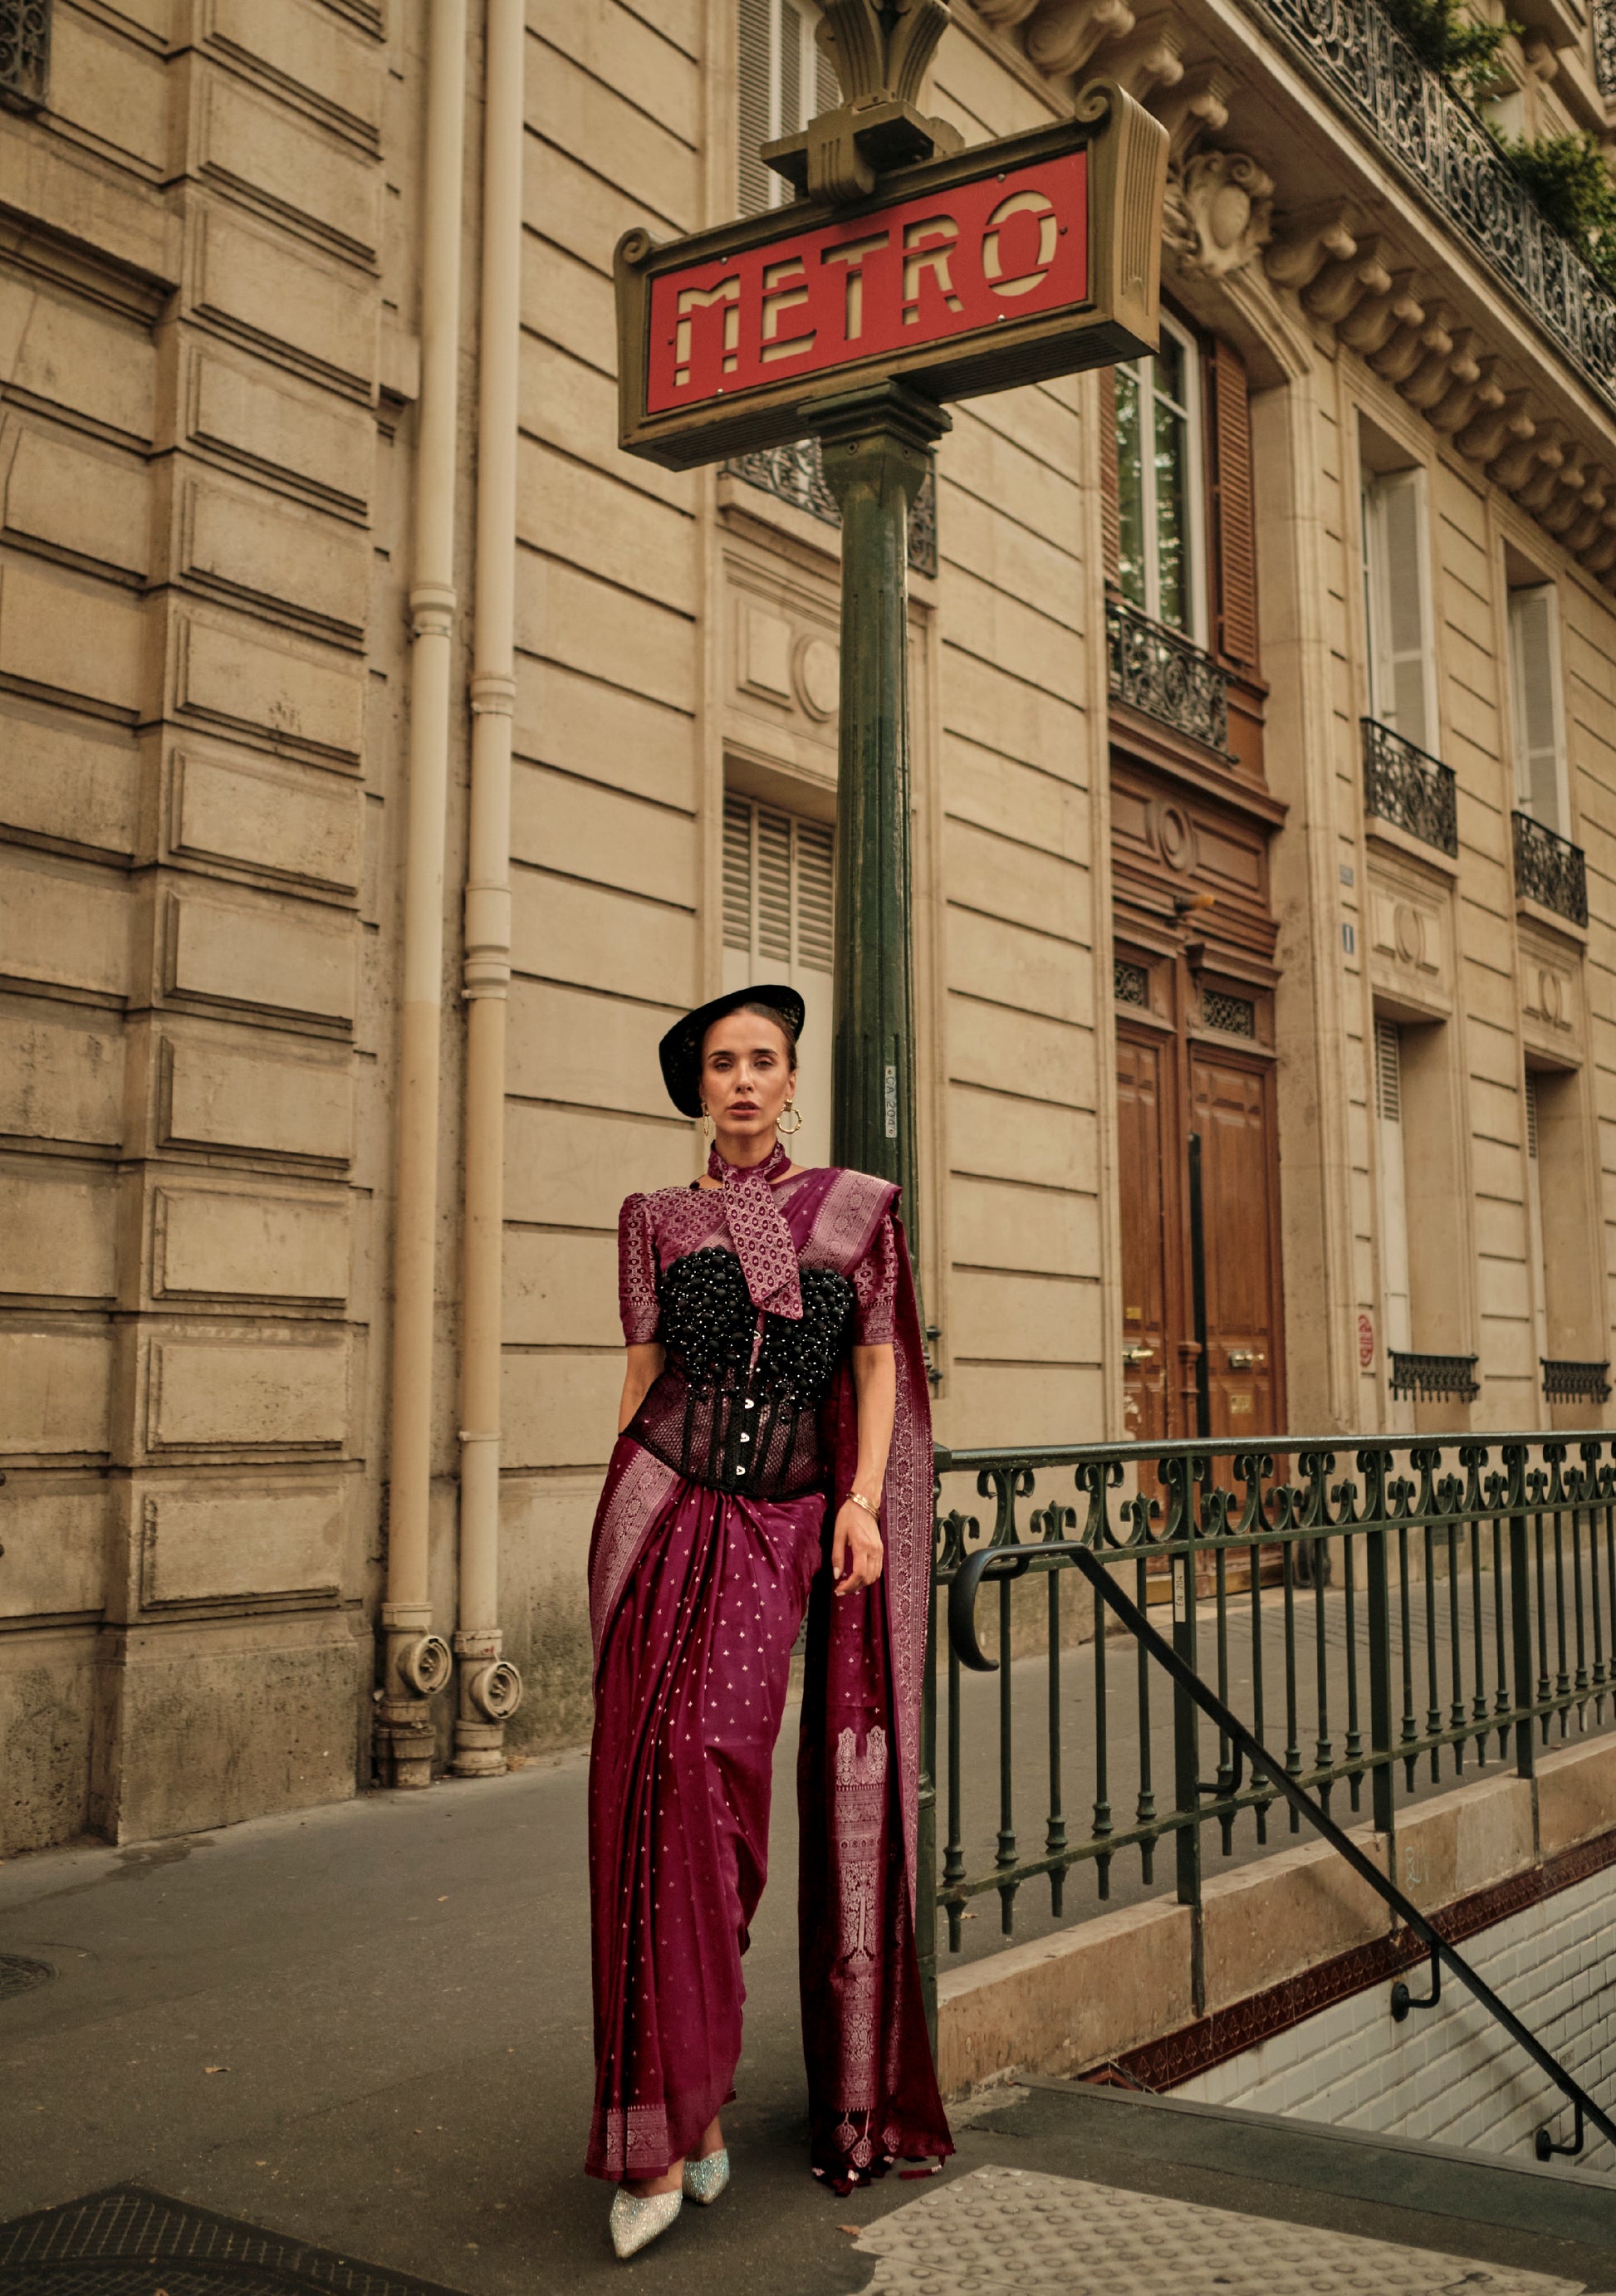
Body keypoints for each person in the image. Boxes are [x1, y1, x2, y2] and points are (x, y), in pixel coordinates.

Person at [584, 982, 952, 2259]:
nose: (741, 1080)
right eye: (720, 1063)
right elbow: (641, 1378)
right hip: (661, 1510)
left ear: (793, 1081)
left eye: (763, 1060)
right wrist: (615, 1526)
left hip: (780, 1524)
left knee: (716, 1789)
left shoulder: (856, 1214)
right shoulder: (653, 1219)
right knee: (646, 1800)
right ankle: (668, 2129)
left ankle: (700, 2088)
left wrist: (860, 1503)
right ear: (696, 1087)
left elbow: (873, 1366)